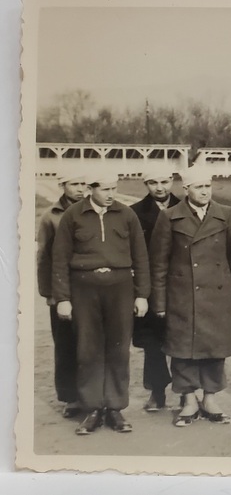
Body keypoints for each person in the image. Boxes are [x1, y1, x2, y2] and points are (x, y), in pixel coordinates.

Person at [51, 171, 150, 435]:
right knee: (88, 348)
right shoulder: (73, 216)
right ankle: (92, 409)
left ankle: (116, 408)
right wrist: (63, 299)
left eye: (114, 189)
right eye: (105, 189)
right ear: (89, 189)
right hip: (84, 289)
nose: (110, 194)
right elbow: (59, 259)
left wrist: (141, 294)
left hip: (120, 288)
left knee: (118, 348)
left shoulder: (127, 215)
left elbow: (141, 257)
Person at [150, 166, 231, 427]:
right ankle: (189, 400)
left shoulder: (225, 214)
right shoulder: (170, 217)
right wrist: (159, 303)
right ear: (186, 190)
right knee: (183, 349)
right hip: (183, 295)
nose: (205, 192)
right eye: (199, 187)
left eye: (208, 186)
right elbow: (158, 265)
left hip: (217, 295)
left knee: (215, 348)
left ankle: (210, 398)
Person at [129, 167, 181, 412]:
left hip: (181, 283)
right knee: (153, 341)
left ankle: (186, 391)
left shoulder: (186, 207)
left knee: (183, 337)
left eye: (164, 181)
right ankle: (157, 391)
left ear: (173, 180)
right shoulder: (135, 213)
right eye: (153, 182)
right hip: (150, 284)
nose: (160, 187)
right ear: (144, 183)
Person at [37, 169, 86, 419]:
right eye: (74, 183)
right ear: (62, 185)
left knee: (90, 343)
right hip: (61, 289)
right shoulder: (51, 216)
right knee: (66, 345)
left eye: (83, 184)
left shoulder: (93, 211)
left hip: (88, 289)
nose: (80, 188)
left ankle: (91, 394)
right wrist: (49, 293)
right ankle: (71, 398)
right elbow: (44, 258)